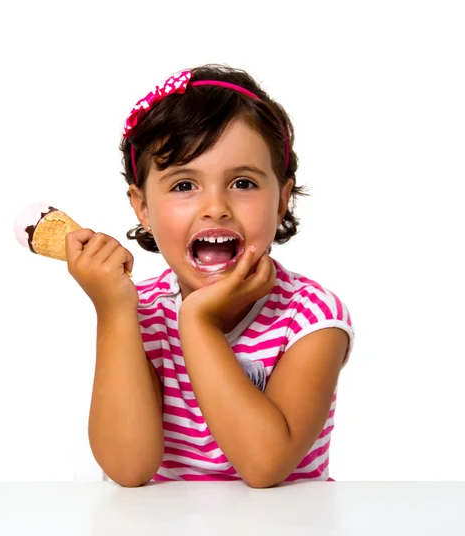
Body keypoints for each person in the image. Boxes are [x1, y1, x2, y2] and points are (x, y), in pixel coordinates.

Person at [65, 64, 354, 488]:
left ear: (282, 201)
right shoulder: (137, 310)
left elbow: (265, 465)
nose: (215, 207)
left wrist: (198, 322)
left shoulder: (310, 318)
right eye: (184, 185)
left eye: (242, 182)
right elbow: (128, 469)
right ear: (143, 208)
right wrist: (112, 312)